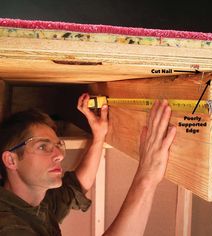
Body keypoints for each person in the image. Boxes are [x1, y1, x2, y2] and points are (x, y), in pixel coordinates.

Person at [0, 93, 176, 236]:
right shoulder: (9, 226)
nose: (59, 156)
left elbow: (76, 186)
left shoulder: (36, 202)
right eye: (43, 146)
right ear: (11, 160)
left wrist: (99, 137)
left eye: (57, 145)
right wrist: (147, 177)